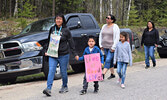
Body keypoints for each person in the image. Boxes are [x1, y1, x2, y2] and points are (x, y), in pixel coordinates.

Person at [43, 13, 78, 96]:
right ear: (55, 20)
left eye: (60, 19)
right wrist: (46, 50)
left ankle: (65, 86)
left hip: (63, 54)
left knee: (63, 72)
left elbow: (71, 42)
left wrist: (75, 53)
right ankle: (48, 88)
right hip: (53, 54)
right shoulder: (52, 29)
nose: (58, 20)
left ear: (62, 20)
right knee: (51, 71)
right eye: (57, 19)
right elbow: (49, 41)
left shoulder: (66, 30)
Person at [99, 14, 120, 80]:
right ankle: (112, 74)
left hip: (111, 47)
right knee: (110, 61)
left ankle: (102, 74)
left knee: (108, 60)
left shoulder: (115, 27)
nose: (106, 19)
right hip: (105, 46)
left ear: (112, 20)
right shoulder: (104, 26)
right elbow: (101, 35)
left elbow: (117, 37)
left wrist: (114, 47)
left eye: (108, 18)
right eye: (106, 17)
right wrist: (101, 45)